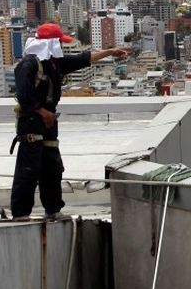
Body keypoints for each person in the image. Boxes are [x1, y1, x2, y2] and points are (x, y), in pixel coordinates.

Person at [11, 23, 130, 220]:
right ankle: (21, 213)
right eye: (58, 42)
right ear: (50, 43)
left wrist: (110, 52)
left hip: (48, 122)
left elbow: (83, 59)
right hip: (31, 121)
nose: (61, 45)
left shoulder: (54, 63)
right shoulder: (30, 64)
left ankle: (53, 208)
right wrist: (42, 112)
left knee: (52, 166)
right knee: (29, 167)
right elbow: (24, 96)